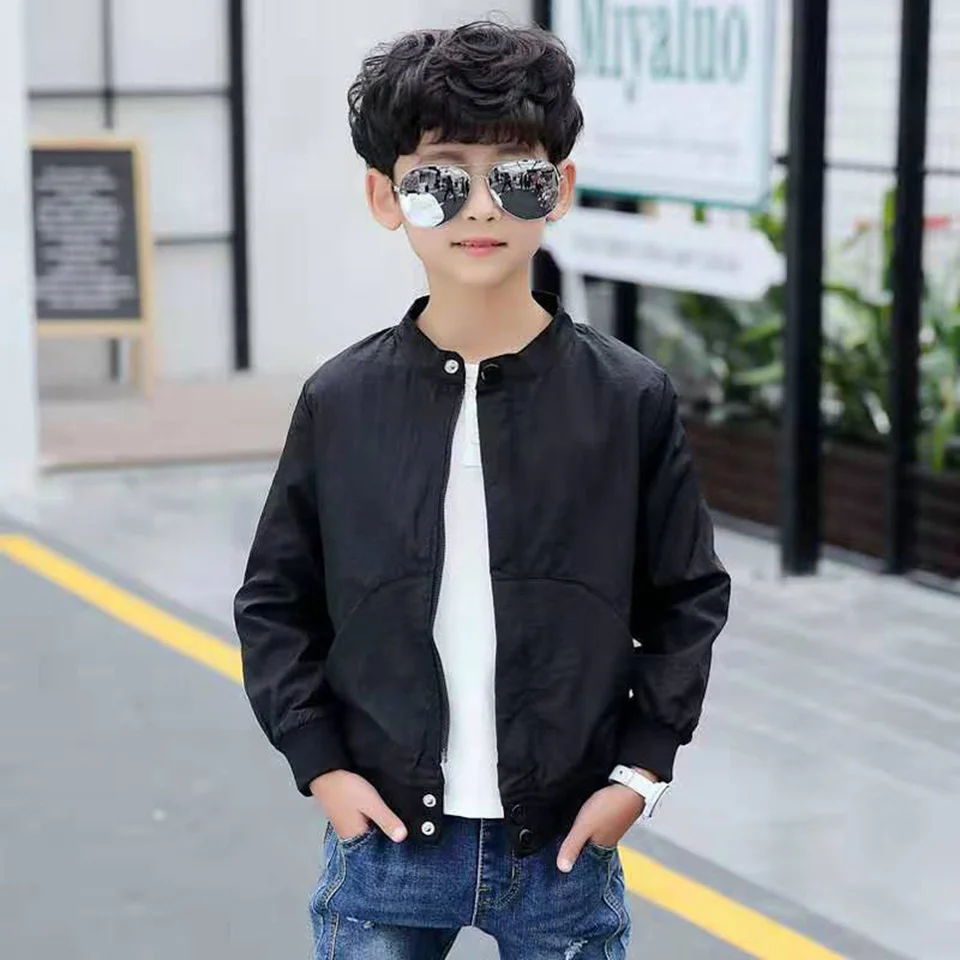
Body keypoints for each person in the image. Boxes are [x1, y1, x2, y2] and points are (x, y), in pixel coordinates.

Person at [234, 20, 731, 959]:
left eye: (516, 175)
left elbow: (687, 597)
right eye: (439, 177)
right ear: (385, 196)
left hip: (564, 845)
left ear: (560, 189)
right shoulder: (342, 399)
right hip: (385, 843)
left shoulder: (627, 398)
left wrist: (641, 773)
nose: (480, 207)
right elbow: (275, 602)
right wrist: (322, 768)